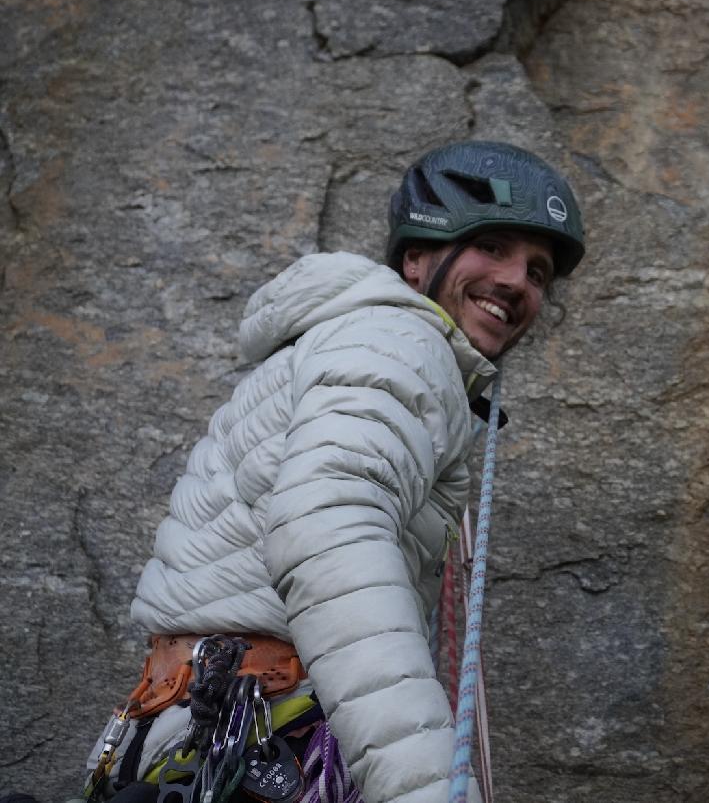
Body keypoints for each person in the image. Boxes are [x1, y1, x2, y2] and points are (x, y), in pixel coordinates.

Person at [82, 140, 585, 803]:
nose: (518, 281)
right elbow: (331, 541)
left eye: (538, 271)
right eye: (492, 247)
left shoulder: (354, 339)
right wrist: (425, 786)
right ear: (416, 258)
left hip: (202, 730)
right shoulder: (400, 342)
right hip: (268, 740)